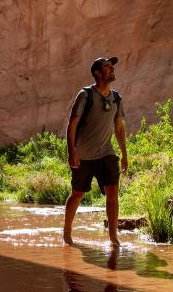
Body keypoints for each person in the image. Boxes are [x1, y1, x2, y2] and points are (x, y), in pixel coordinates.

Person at [63, 56, 128, 246]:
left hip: (106, 152)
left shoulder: (116, 97)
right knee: (77, 193)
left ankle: (113, 237)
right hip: (83, 154)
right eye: (107, 67)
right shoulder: (85, 95)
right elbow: (72, 125)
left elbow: (119, 128)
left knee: (113, 191)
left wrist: (124, 153)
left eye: (111, 67)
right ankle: (67, 233)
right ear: (97, 73)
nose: (111, 69)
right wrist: (72, 151)